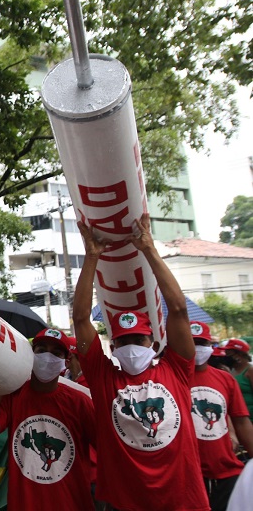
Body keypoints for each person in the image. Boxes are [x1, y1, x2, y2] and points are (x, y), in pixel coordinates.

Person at [73, 214, 208, 510]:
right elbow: (81, 318)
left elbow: (177, 309)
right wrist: (92, 257)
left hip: (184, 501)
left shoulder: (177, 369)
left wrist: (149, 249)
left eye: (138, 340)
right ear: (113, 346)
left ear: (154, 343)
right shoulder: (103, 377)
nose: (131, 346)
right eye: (122, 341)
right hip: (127, 504)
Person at [0, 328, 95, 510]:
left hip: (71, 503)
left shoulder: (80, 402)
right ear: (31, 355)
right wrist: (0, 385)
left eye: (55, 353)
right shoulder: (13, 394)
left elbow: (106, 450)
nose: (47, 357)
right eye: (41, 350)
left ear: (66, 361)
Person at [188, 321, 253, 511]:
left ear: (210, 346)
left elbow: (241, 422)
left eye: (202, 343)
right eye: (192, 342)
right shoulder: (171, 378)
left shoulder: (225, 379)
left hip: (226, 474)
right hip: (189, 477)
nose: (197, 348)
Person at [222, 338, 253, 416]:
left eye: (229, 355)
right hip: (239, 417)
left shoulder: (250, 370)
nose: (226, 357)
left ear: (240, 355)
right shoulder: (231, 371)